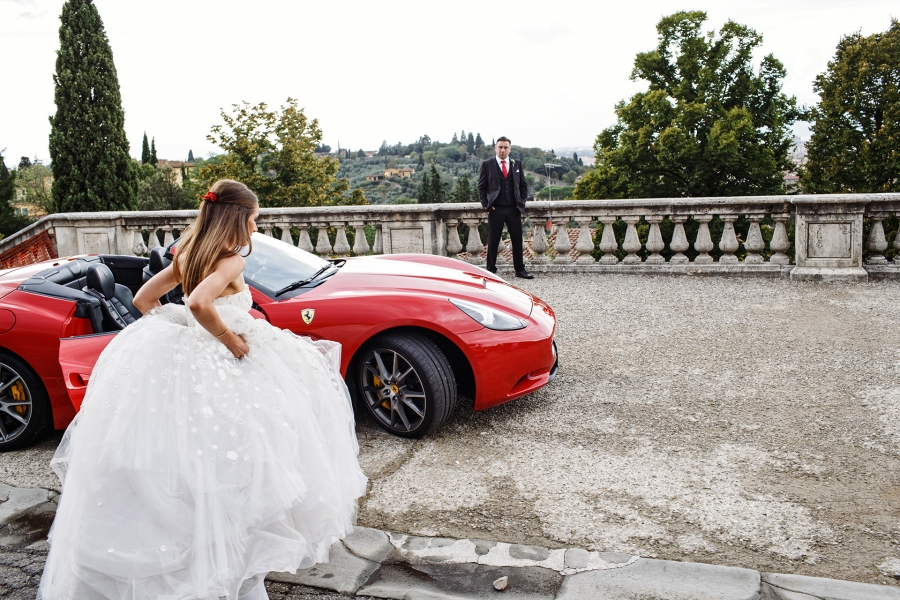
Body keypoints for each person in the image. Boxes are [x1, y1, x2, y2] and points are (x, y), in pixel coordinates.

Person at [38, 179, 367, 600]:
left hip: (190, 358)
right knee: (247, 461)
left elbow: (142, 299)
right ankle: (230, 570)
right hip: (226, 359)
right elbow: (198, 304)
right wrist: (228, 339)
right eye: (253, 220)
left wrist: (179, 330)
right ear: (236, 219)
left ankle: (200, 562)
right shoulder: (230, 262)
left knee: (188, 463)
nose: (254, 229)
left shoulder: (188, 253)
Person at [477, 136, 532, 279]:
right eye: (500, 147)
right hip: (496, 209)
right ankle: (490, 271)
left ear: (510, 149)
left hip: (514, 209)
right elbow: (481, 187)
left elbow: (523, 186)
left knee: (517, 240)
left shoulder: (517, 164)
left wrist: (521, 201)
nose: (502, 150)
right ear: (495, 148)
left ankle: (520, 270)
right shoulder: (487, 164)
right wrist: (487, 205)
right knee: (493, 241)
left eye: (505, 147)